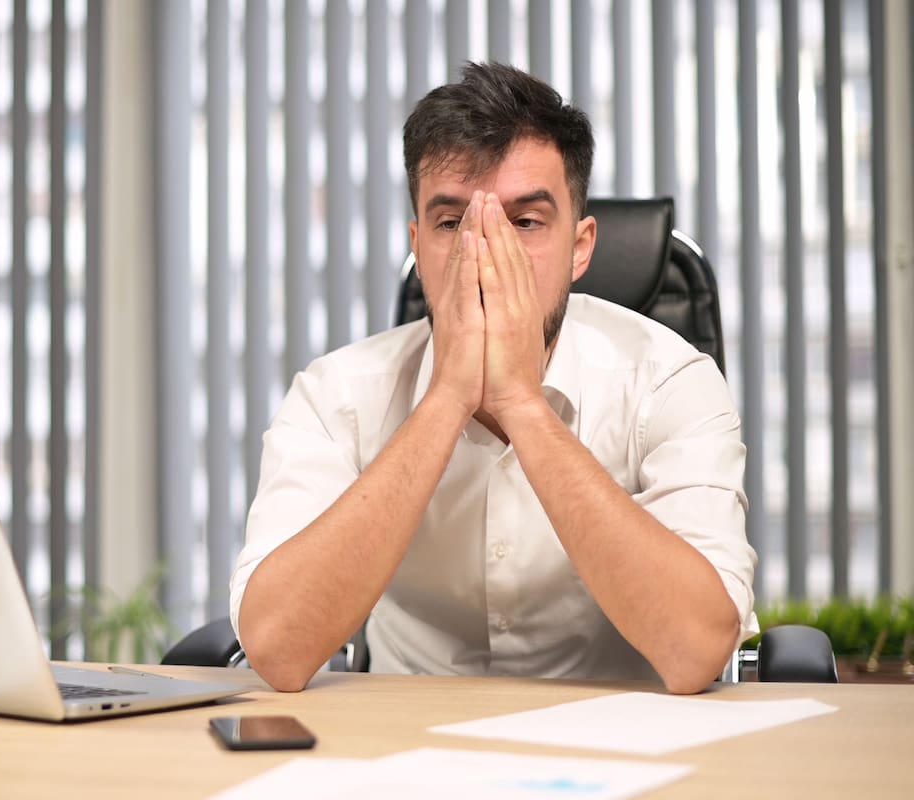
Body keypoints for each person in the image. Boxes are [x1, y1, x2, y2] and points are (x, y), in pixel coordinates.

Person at [229, 62, 757, 694]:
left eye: (526, 223)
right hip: (402, 751)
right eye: (453, 224)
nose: (486, 254)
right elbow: (278, 649)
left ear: (581, 246)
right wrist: (448, 396)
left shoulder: (671, 381)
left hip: (619, 756)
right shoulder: (337, 394)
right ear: (418, 244)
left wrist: (521, 404)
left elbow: (698, 649)